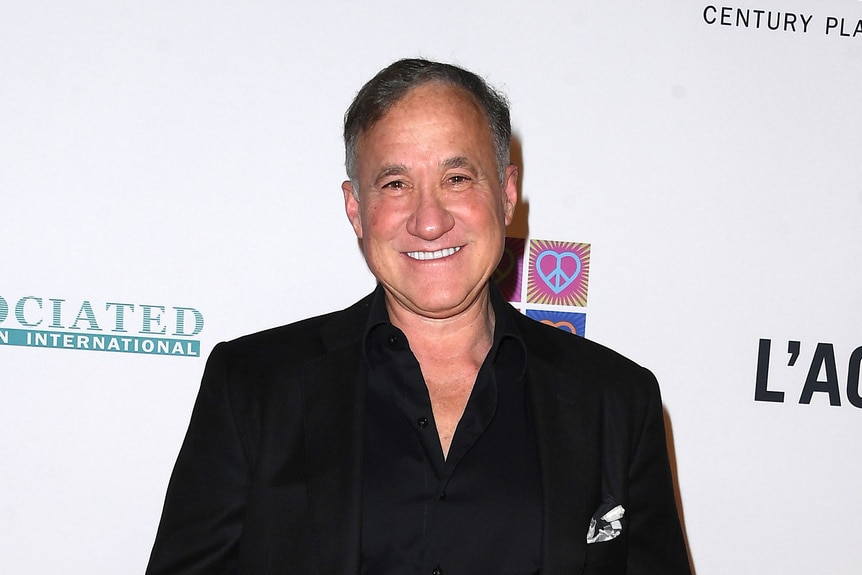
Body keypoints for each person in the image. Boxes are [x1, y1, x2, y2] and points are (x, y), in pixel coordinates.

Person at [146, 58, 692, 574]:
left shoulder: (616, 400)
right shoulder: (254, 386)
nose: (429, 221)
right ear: (355, 208)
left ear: (506, 194)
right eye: (395, 184)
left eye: (457, 179)